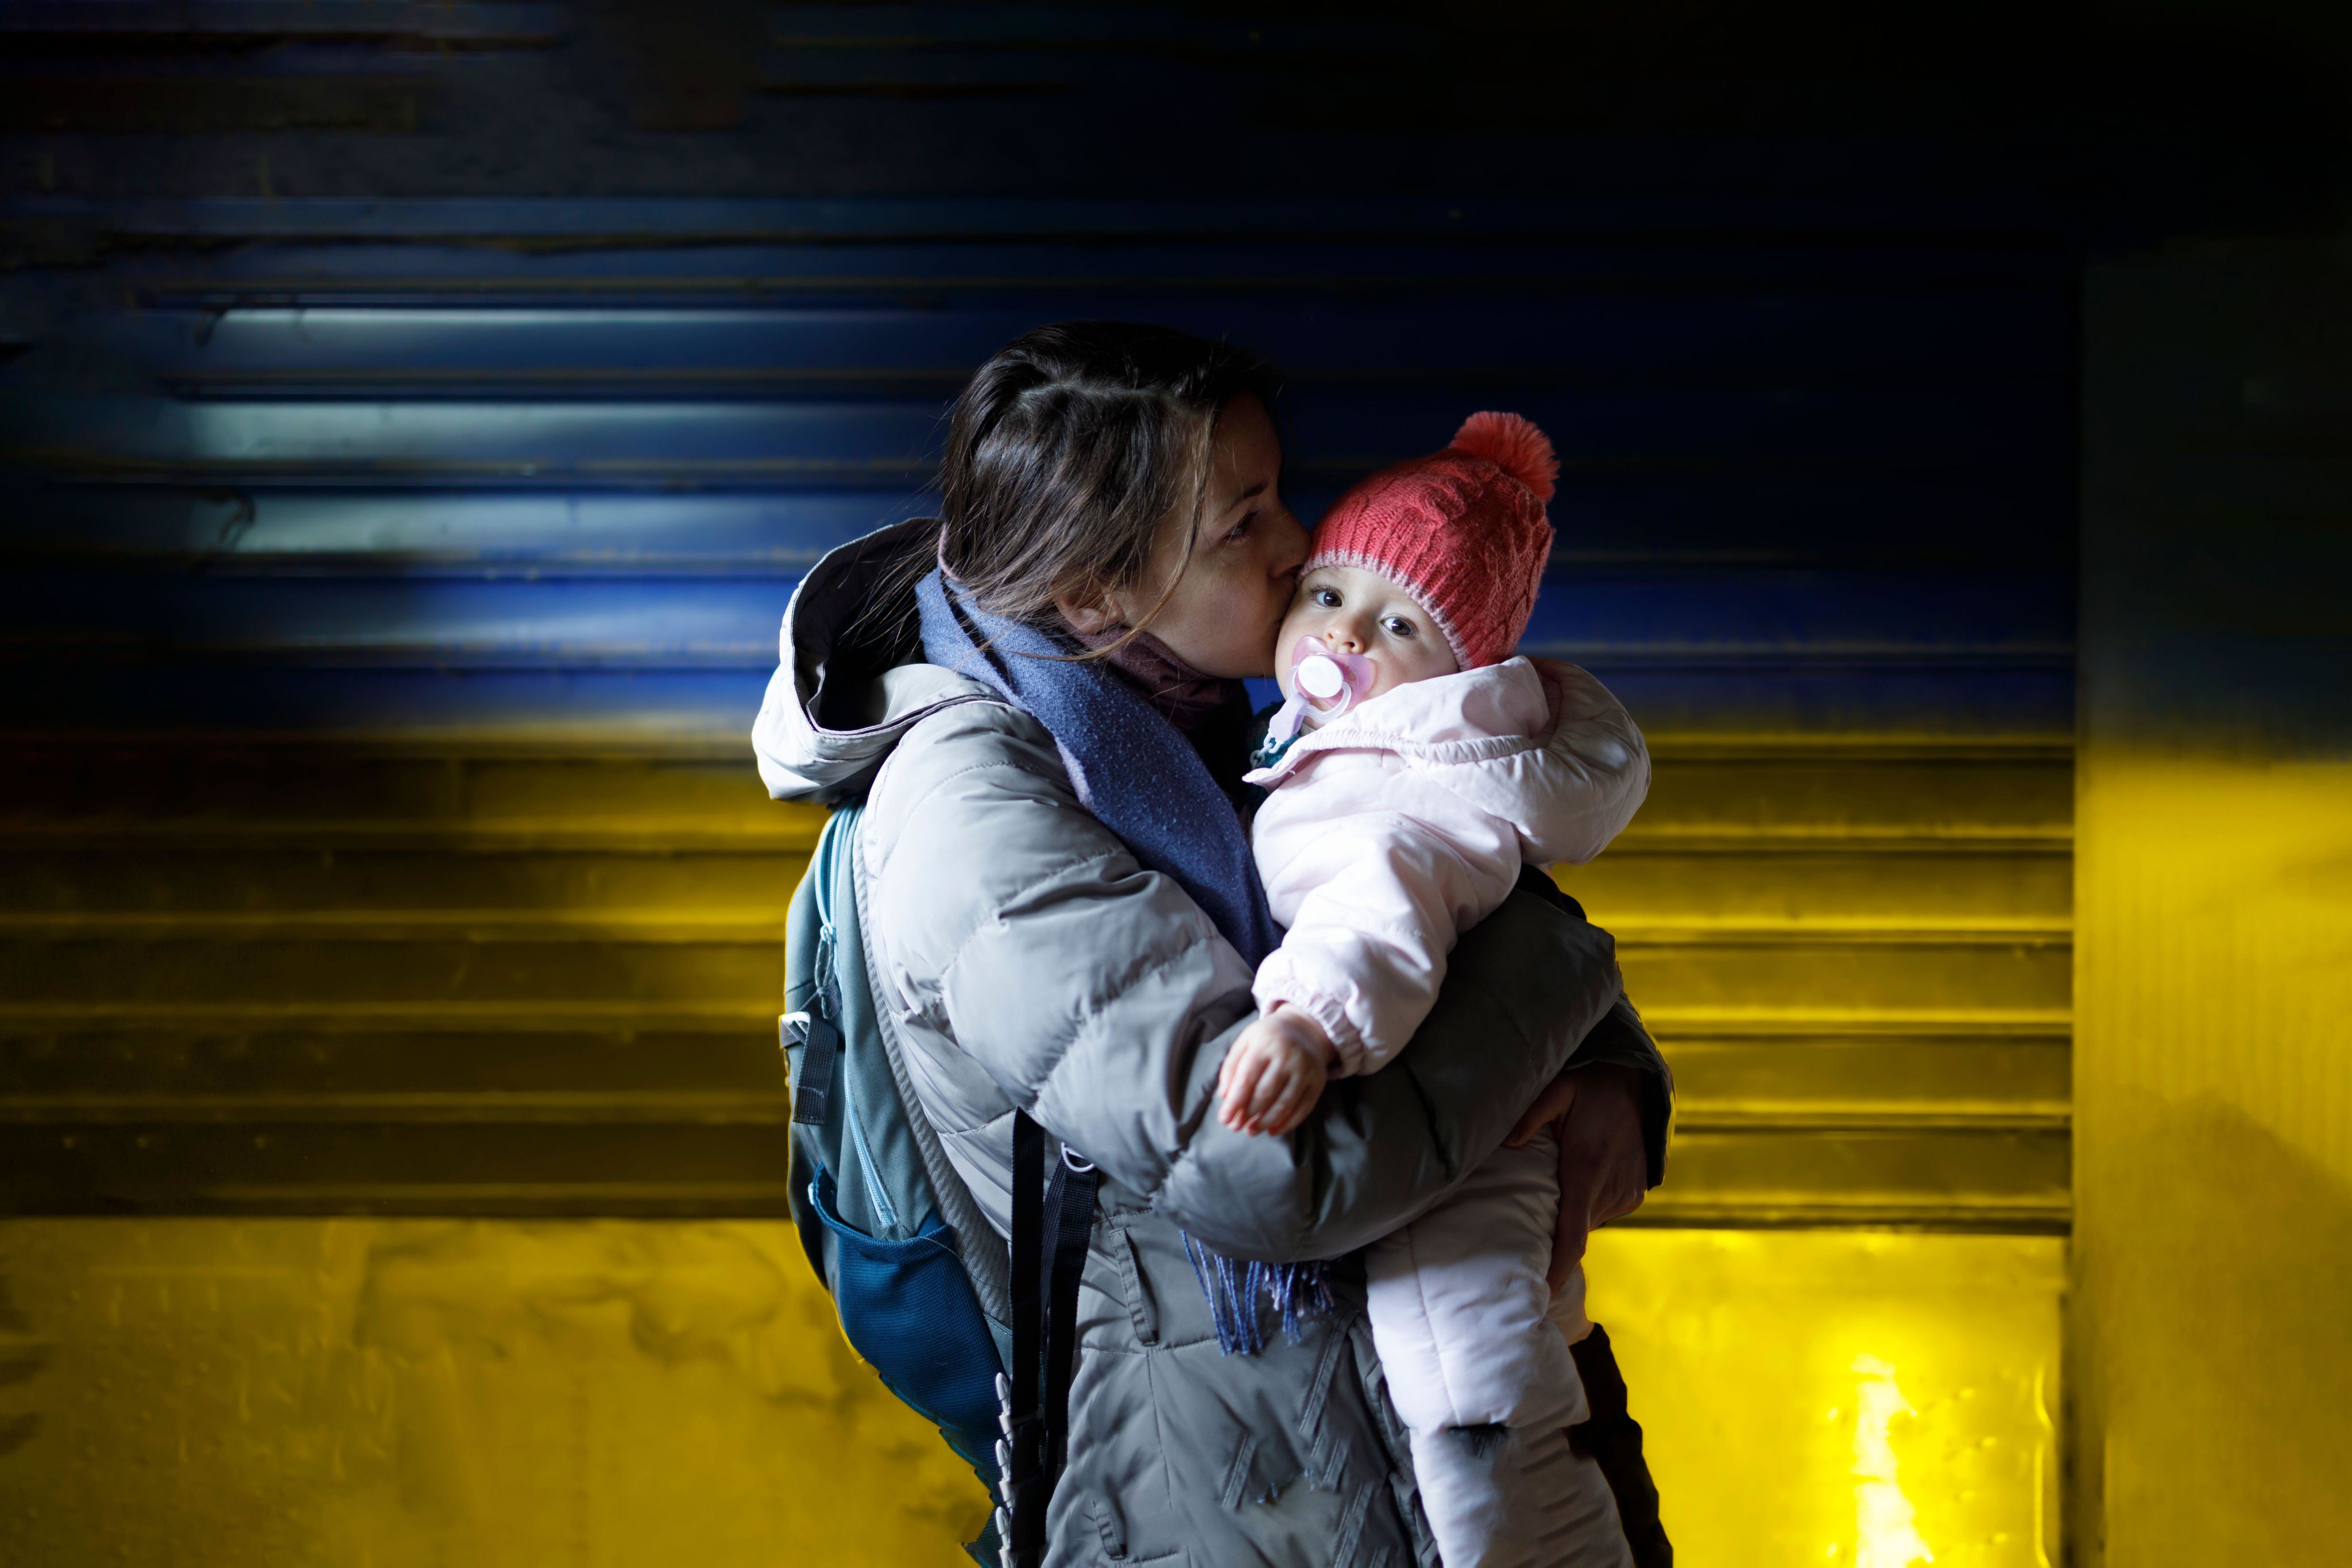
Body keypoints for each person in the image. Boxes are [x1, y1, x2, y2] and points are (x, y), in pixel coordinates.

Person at [752, 322, 1671, 1566]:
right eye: (1242, 521)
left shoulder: (1188, 727)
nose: (1300, 544)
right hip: (1217, 1496)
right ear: (1091, 591)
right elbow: (1267, 1174)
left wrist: (1601, 1055)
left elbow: (1411, 886)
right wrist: (1568, 975)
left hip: (1341, 1457)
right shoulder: (976, 810)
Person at [1214, 411, 1650, 1567]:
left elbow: (1382, 902)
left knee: (1463, 1367)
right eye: (1326, 596)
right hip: (1457, 1109)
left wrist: (1308, 1019)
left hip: (1446, 1117)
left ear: (1462, 670)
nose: (1343, 630)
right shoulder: (1338, 742)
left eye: (1398, 622)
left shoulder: (1389, 778)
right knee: (1511, 1341)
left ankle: (1538, 1541)